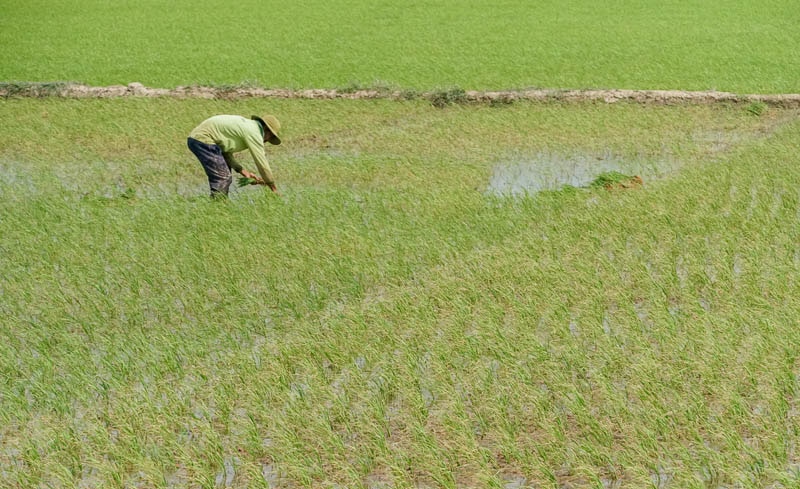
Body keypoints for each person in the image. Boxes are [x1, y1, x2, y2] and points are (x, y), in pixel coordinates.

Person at [187, 114, 282, 197]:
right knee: (223, 177)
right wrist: (273, 188)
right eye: (271, 136)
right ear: (266, 130)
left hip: (198, 138)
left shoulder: (248, 126)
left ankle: (221, 205)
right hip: (202, 139)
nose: (267, 141)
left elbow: (225, 153)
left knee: (225, 172)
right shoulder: (254, 132)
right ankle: (218, 208)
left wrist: (243, 172)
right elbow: (262, 163)